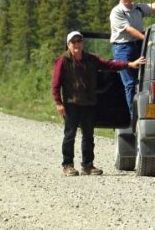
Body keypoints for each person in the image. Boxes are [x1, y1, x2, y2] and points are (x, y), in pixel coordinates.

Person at [52, 30, 146, 176]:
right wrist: (59, 103)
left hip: (89, 103)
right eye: (73, 42)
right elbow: (55, 84)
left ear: (83, 43)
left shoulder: (91, 59)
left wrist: (129, 64)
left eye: (79, 41)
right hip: (71, 104)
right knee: (69, 135)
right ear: (68, 44)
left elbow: (110, 65)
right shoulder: (63, 61)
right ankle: (68, 165)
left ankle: (88, 165)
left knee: (88, 136)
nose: (77, 44)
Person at [109, 0, 155, 118]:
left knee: (147, 80)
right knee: (130, 84)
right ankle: (134, 117)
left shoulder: (138, 7)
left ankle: (151, 114)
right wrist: (147, 39)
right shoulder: (117, 12)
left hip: (139, 46)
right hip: (123, 48)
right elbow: (129, 30)